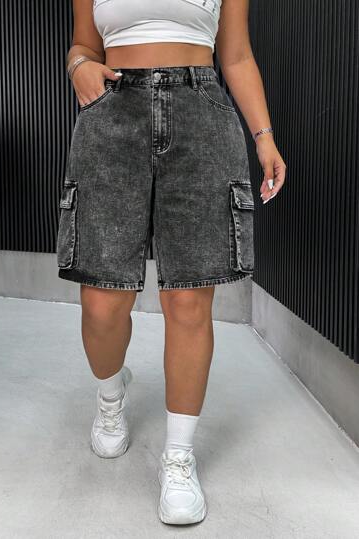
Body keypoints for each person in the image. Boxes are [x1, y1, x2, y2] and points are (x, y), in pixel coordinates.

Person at [57, 0, 286, 526]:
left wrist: (265, 137)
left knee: (188, 299)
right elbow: (83, 45)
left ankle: (179, 457)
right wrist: (79, 66)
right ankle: (110, 394)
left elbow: (236, 55)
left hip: (200, 113)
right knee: (101, 303)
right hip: (112, 116)